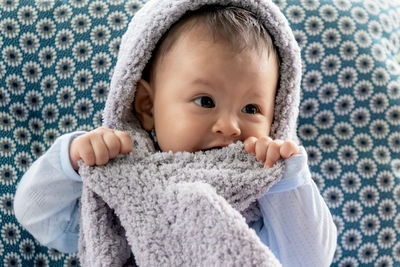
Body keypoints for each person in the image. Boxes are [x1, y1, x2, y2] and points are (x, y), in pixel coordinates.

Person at [14, 2, 337, 266]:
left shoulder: (262, 196)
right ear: (147, 106)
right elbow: (38, 218)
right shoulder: (126, 183)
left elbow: (311, 259)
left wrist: (287, 179)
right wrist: (70, 159)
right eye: (205, 101)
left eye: (251, 109)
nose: (230, 126)